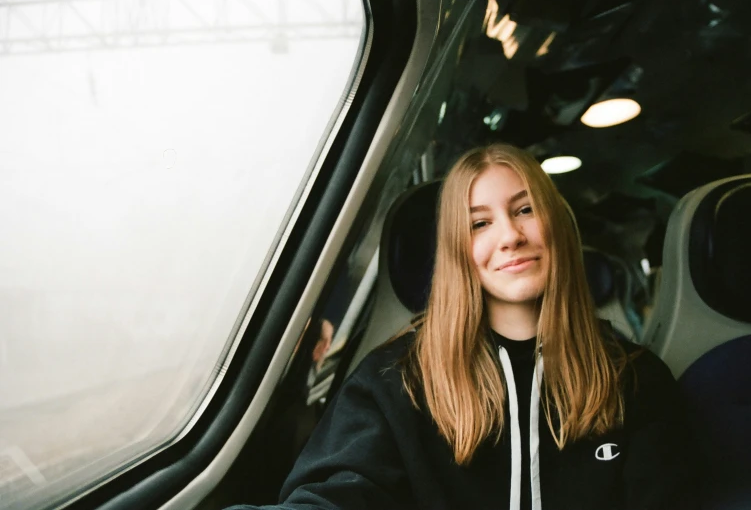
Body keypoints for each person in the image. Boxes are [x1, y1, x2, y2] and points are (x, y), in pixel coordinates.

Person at [227, 143, 696, 510]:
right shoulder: (395, 381)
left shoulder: (635, 379)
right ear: (456, 248)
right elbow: (342, 497)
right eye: (479, 223)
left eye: (525, 210)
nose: (510, 236)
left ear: (557, 225)